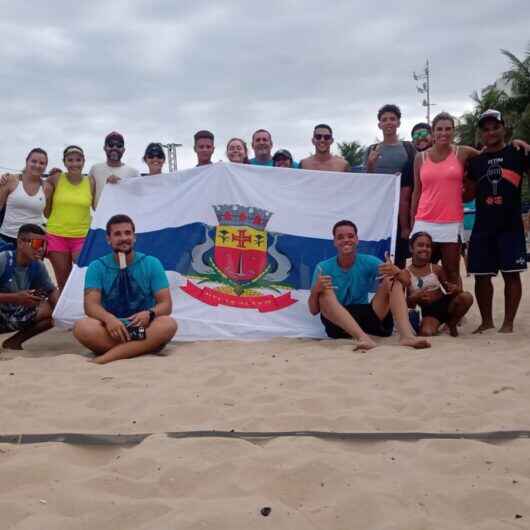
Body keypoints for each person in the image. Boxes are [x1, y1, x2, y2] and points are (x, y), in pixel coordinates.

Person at [308, 220, 430, 351]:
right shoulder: (323, 267)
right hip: (338, 324)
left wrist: (397, 271)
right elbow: (314, 311)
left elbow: (406, 281)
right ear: (334, 242)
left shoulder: (368, 261)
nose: (346, 240)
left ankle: (407, 336)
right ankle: (363, 338)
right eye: (340, 237)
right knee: (324, 292)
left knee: (392, 279)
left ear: (357, 239)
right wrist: (316, 290)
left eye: (350, 236)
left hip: (367, 317)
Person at [73, 214, 177, 364]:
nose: (123, 238)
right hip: (112, 332)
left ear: (134, 237)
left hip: (142, 330)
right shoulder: (97, 267)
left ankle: (108, 357)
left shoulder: (151, 263)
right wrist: (109, 319)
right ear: (108, 239)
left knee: (168, 324)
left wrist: (149, 313)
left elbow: (166, 304)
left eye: (128, 233)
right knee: (82, 327)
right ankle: (139, 348)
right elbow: (90, 305)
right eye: (117, 234)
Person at [464, 109, 529, 334]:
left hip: (511, 225)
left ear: (504, 129)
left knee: (512, 274)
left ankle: (508, 323)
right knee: (482, 277)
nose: (491, 132)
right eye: (486, 129)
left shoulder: (518, 153)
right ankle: (486, 322)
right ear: (480, 133)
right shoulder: (475, 162)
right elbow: (468, 194)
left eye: (495, 127)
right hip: (482, 226)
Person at [410, 112, 482, 287]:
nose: (444, 133)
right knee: (423, 269)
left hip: (451, 222)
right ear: (433, 132)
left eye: (448, 129)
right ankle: (426, 311)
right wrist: (413, 222)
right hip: (424, 220)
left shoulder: (462, 152)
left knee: (452, 271)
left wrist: (516, 145)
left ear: (453, 131)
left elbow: (489, 155)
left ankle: (456, 311)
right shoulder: (421, 158)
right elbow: (416, 192)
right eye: (439, 129)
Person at [364, 105, 417, 268]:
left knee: (399, 258)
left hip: (402, 212)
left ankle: (398, 291)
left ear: (398, 123)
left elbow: (415, 177)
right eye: (384, 119)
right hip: (379, 212)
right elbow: (367, 183)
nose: (388, 123)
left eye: (392, 119)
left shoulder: (409, 148)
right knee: (377, 254)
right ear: (379, 124)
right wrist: (371, 164)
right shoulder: (371, 150)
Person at [45, 146, 96, 292]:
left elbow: (99, 205)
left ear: (83, 161)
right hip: (56, 235)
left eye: (78, 160)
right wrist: (12, 177)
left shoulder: (90, 182)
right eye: (70, 160)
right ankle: (64, 314)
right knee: (63, 281)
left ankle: (87, 310)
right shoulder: (55, 178)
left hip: (82, 237)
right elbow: (34, 180)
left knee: (87, 277)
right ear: (64, 162)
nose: (74, 163)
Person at [0, 224, 59, 350]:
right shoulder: (4, 260)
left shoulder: (37, 265)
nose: (41, 249)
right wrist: (15, 298)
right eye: (37, 243)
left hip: (12, 314)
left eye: (44, 244)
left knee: (51, 313)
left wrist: (61, 310)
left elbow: (51, 290)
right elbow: (16, 298)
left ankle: (13, 343)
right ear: (20, 243)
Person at [406, 232, 473, 337]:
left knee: (467, 297)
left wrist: (456, 289)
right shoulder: (406, 273)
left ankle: (452, 323)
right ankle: (437, 324)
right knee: (426, 333)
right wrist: (414, 298)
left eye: (428, 246)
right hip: (430, 311)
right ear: (411, 248)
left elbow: (449, 289)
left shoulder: (436, 269)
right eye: (420, 245)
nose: (425, 248)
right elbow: (407, 304)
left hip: (446, 304)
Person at [0, 148, 49, 249]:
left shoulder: (47, 187)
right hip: (7, 237)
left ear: (45, 166)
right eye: (34, 161)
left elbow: (47, 214)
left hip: (35, 240)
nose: (37, 165)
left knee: (33, 265)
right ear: (27, 161)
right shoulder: (10, 180)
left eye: (42, 163)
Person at [88, 131, 140, 207]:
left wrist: (122, 185)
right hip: (99, 217)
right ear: (104, 148)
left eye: (119, 146)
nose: (114, 148)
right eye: (111, 145)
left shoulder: (134, 173)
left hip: (124, 217)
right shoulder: (94, 169)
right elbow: (88, 196)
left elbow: (139, 199)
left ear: (123, 150)